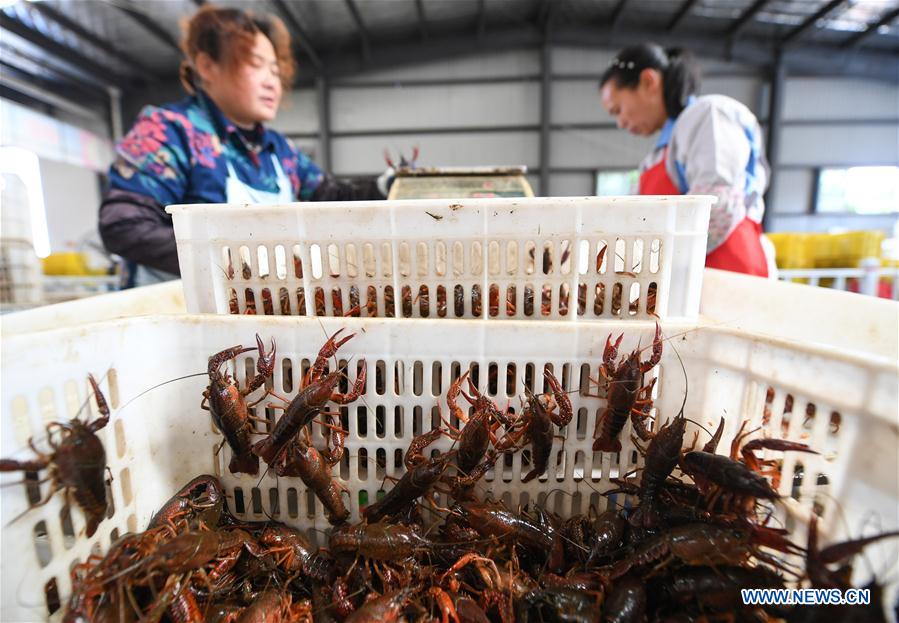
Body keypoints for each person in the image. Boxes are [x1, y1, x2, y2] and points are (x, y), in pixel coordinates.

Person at [99, 6, 390, 286]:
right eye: (256, 65)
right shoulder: (170, 131)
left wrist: (388, 186)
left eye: (275, 71)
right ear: (207, 66)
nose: (272, 83)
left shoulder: (278, 150)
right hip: (177, 313)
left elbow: (332, 196)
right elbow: (124, 226)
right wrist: (233, 260)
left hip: (255, 311)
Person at [599, 43, 772, 277]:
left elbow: (719, 204)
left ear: (649, 81)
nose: (620, 123)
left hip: (730, 271)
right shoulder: (657, 157)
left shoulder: (708, 115)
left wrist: (651, 262)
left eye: (617, 109)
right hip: (688, 278)